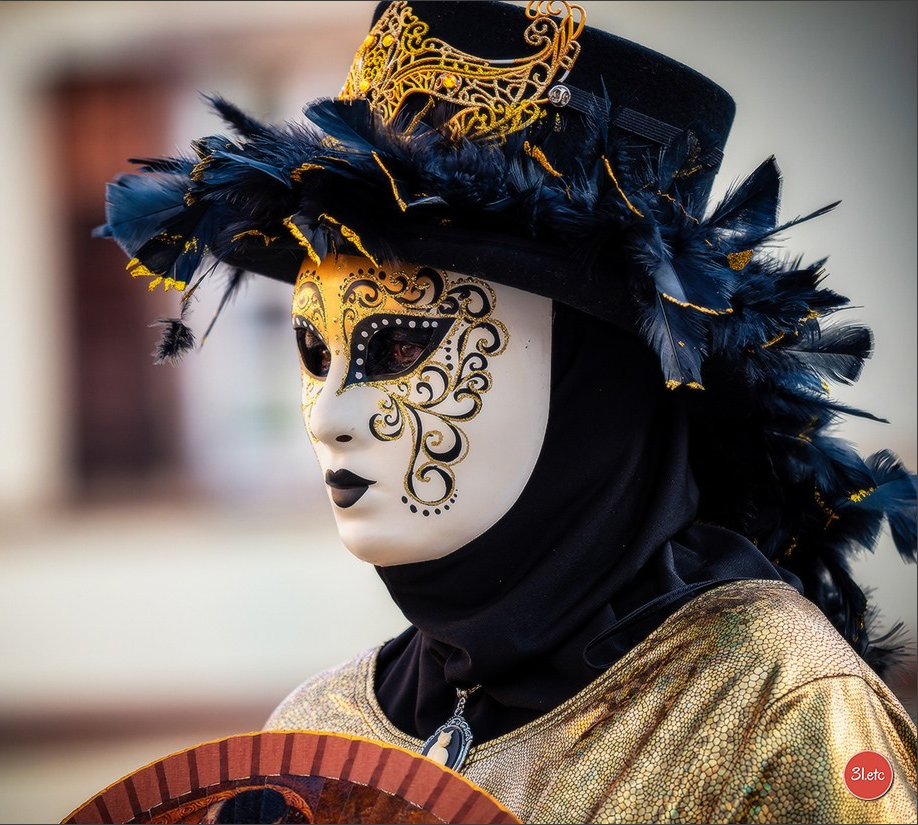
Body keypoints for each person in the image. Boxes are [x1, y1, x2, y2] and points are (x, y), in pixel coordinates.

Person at [95, 1, 917, 821]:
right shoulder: (318, 735)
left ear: (594, 382)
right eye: (314, 352)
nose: (327, 415)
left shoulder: (778, 702)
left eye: (398, 346)